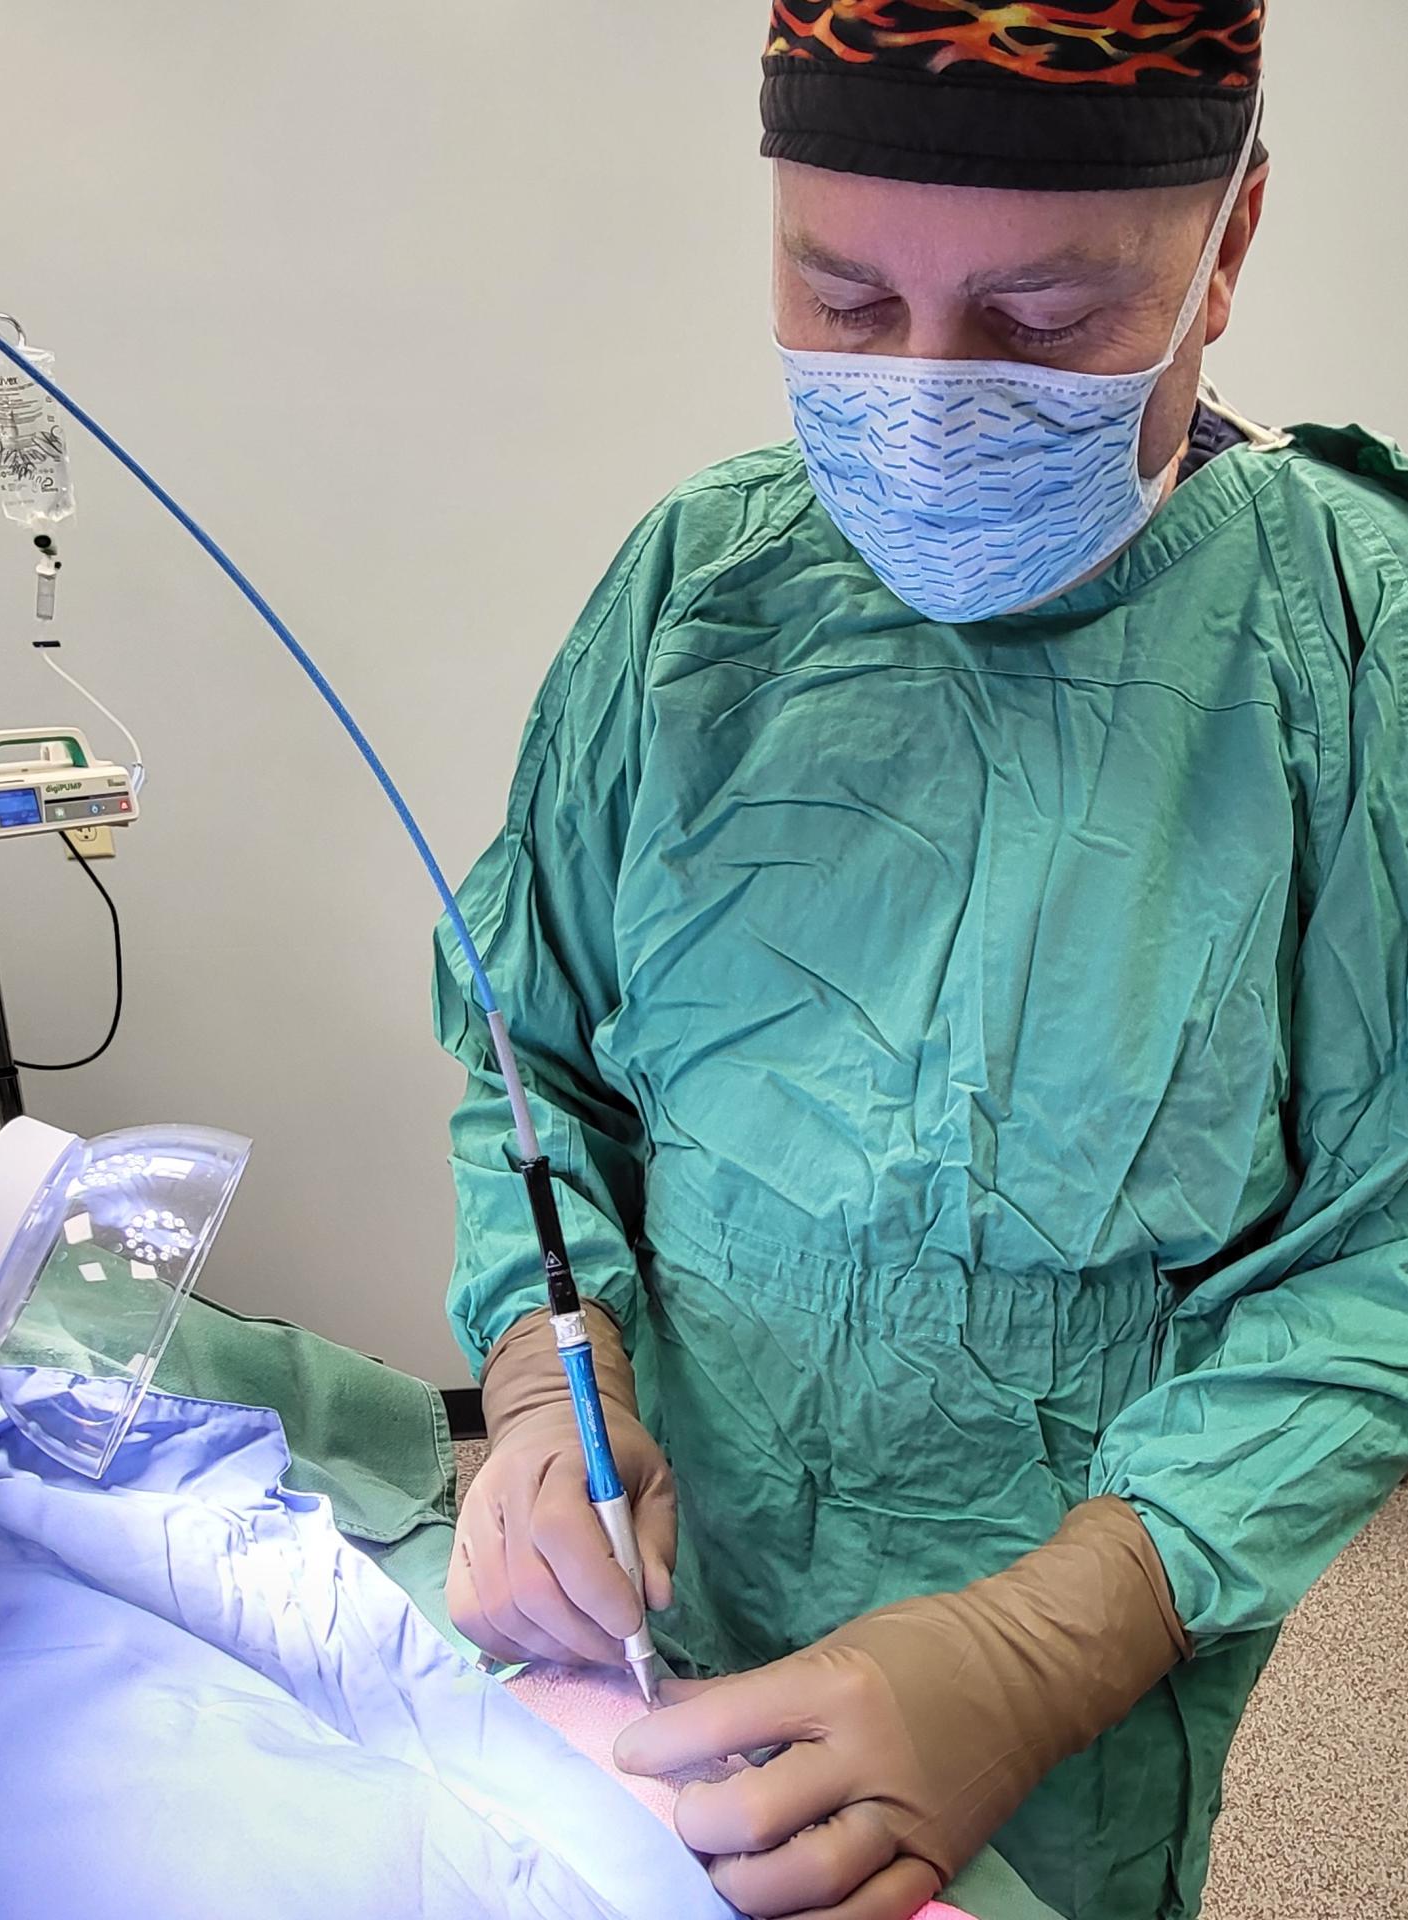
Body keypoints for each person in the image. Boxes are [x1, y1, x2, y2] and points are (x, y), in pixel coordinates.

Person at [435, 5, 1408, 1917]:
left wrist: (1055, 1640)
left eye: (1044, 319)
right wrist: (548, 1383)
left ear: (1226, 243)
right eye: (844, 299)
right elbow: (525, 1046)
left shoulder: (1352, 661)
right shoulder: (691, 595)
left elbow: (1388, 1248)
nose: (933, 391)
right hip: (668, 1583)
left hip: (1073, 1683)